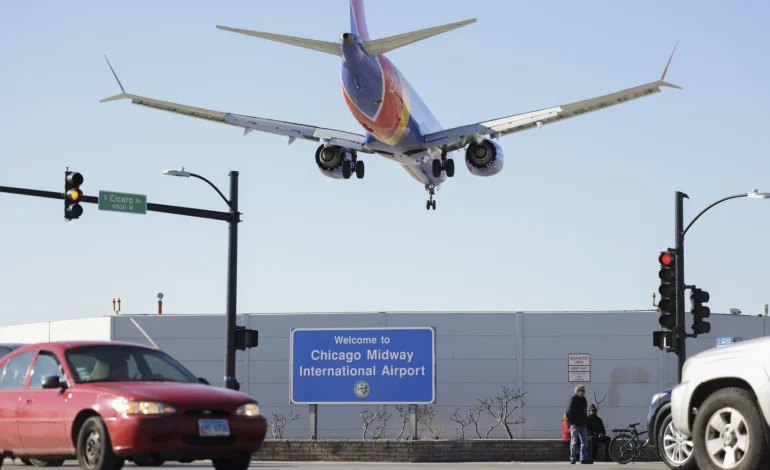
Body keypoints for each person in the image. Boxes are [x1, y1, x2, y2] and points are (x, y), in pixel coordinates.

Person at [565, 384, 590, 464]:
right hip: (574, 425)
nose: (582, 392)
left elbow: (585, 411)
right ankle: (573, 458)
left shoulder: (584, 399)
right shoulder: (573, 399)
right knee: (574, 441)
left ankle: (583, 458)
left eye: (583, 391)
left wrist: (585, 421)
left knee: (584, 441)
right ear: (577, 391)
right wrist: (572, 423)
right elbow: (568, 412)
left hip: (582, 424)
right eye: (581, 390)